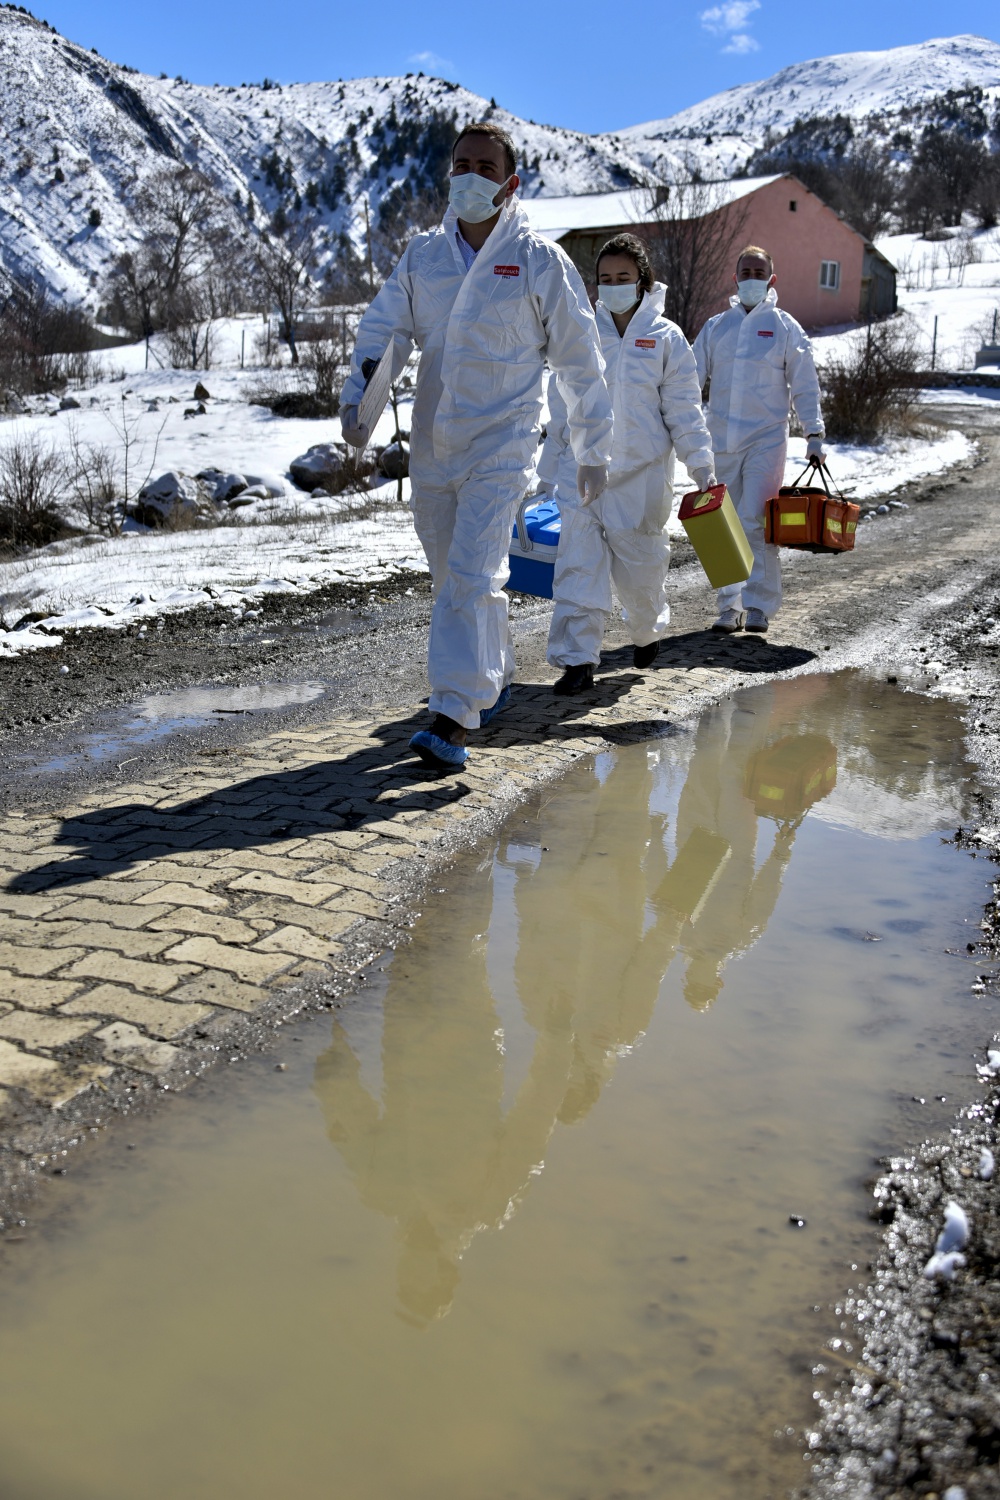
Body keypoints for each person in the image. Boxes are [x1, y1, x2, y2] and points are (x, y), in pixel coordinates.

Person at [339, 122, 613, 770]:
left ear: (511, 184)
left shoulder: (539, 261)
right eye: (461, 163)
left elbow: (579, 359)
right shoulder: (423, 258)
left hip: (504, 440)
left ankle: (453, 716)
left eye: (485, 167)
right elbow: (385, 330)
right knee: (450, 577)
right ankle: (492, 673)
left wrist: (594, 447)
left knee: (473, 573)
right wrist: (359, 402)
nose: (470, 175)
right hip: (434, 443)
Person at [542, 233, 715, 694]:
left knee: (641, 573)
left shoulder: (665, 338)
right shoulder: (581, 329)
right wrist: (547, 467)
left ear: (641, 279)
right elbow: (561, 403)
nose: (613, 285)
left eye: (623, 277)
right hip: (581, 472)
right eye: (605, 278)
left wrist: (701, 466)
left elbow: (683, 408)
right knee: (579, 567)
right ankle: (578, 661)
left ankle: (646, 632)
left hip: (641, 477)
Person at [692, 244, 826, 635]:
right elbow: (688, 381)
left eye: (759, 271)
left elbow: (805, 384)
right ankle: (727, 606)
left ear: (772, 279)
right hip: (719, 440)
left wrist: (813, 432)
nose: (752, 278)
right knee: (720, 524)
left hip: (766, 441)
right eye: (745, 271)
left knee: (756, 521)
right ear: (735, 279)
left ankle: (757, 606)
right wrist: (677, 426)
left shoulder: (784, 328)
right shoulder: (717, 327)